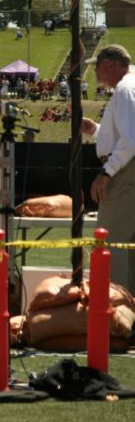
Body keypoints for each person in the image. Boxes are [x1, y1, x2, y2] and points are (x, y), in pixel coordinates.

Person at [81, 45, 135, 293]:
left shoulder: (125, 90)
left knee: (109, 243)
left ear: (110, 66)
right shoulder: (129, 87)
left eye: (97, 66)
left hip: (124, 174)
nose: (94, 72)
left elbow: (131, 140)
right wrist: (97, 131)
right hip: (127, 169)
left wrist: (105, 174)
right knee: (127, 245)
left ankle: (114, 315)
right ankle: (127, 314)